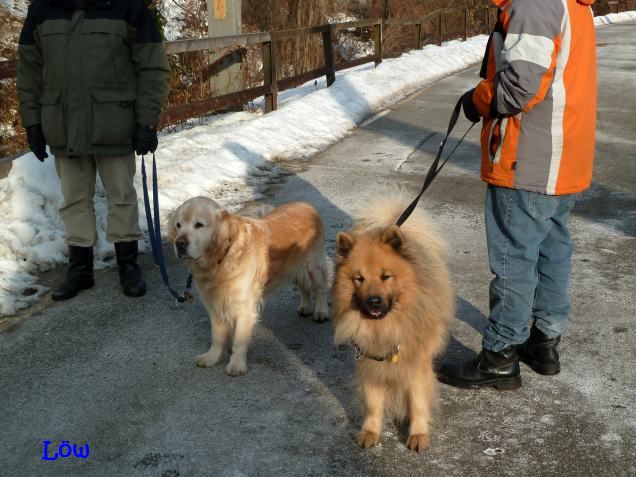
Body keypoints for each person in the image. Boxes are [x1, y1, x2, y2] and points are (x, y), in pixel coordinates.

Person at [438, 0, 597, 389]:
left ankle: (501, 353)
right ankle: (543, 340)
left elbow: (519, 87)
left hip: (527, 157)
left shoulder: (533, 4)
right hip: (563, 157)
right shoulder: (571, 5)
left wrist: (477, 99)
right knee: (553, 248)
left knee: (514, 259)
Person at [17, 0, 170, 301]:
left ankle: (128, 263)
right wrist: (32, 122)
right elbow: (29, 70)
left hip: (114, 123)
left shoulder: (128, 7)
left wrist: (146, 121)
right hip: (63, 123)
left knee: (121, 196)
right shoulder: (43, 9)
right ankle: (80, 269)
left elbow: (152, 67)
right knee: (73, 199)